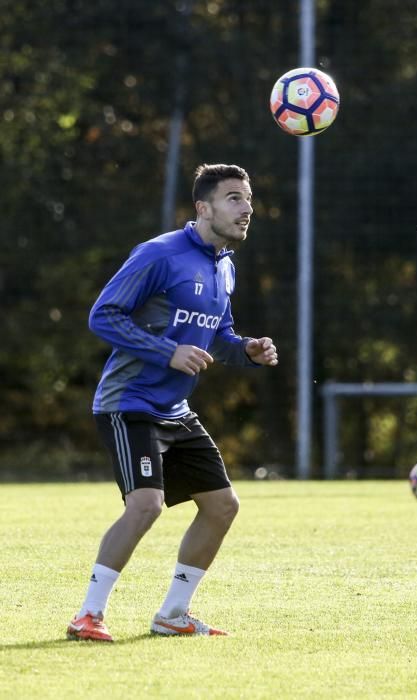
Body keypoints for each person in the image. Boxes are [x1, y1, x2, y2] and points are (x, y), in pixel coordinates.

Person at [67, 163, 278, 641]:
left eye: (248, 198)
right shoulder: (159, 254)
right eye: (233, 199)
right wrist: (168, 351)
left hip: (174, 410)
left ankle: (173, 615)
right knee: (146, 505)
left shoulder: (225, 266)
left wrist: (245, 349)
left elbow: (217, 337)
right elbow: (104, 316)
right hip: (129, 402)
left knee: (223, 506)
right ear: (203, 208)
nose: (246, 209)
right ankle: (88, 616)